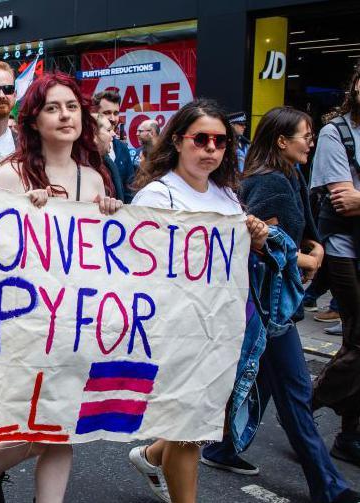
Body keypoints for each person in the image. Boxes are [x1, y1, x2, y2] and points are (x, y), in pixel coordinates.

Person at [0, 71, 122, 503]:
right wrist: (21, 213)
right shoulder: (11, 175)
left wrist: (110, 213)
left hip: (75, 321)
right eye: (52, 107)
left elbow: (100, 251)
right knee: (32, 430)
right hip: (25, 324)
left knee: (62, 426)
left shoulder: (94, 178)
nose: (64, 115)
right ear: (33, 120)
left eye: (71, 106)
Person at [201, 105, 360, 503]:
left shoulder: (288, 174)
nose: (311, 140)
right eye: (304, 135)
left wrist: (317, 248)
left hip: (274, 302)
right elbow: (263, 245)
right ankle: (328, 485)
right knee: (294, 392)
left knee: (263, 382)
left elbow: (301, 231)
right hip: (268, 304)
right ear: (281, 141)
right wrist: (308, 259)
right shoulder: (270, 182)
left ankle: (223, 448)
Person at [126, 99, 268, 503]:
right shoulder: (158, 194)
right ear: (177, 140)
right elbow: (137, 264)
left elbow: (234, 260)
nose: (210, 149)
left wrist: (254, 240)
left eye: (220, 142)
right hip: (175, 331)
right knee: (191, 427)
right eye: (200, 139)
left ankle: (152, 456)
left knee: (196, 421)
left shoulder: (226, 196)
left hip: (220, 330)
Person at [311, 66, 360, 468]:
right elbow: (344, 199)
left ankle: (349, 433)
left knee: (357, 341)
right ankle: (306, 401)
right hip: (345, 248)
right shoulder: (335, 132)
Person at [93, 90, 136, 202]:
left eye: (116, 113)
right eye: (107, 112)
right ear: (95, 113)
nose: (113, 118)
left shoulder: (122, 148)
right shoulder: (82, 150)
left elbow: (130, 187)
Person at [94, 113, 125, 199]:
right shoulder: (81, 169)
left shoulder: (108, 165)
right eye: (108, 130)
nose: (113, 134)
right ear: (94, 135)